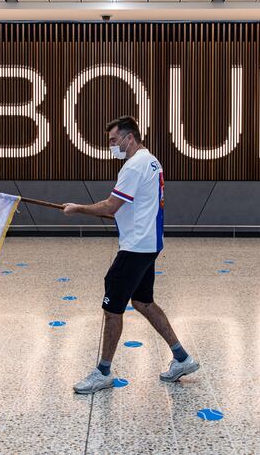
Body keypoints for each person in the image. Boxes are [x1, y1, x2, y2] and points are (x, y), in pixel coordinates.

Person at [63, 115, 199, 394]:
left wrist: (77, 208)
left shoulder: (134, 166)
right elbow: (128, 206)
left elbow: (111, 207)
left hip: (136, 247)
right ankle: (182, 358)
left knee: (112, 309)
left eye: (114, 140)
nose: (112, 145)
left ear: (129, 137)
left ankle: (103, 372)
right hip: (149, 243)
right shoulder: (152, 161)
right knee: (143, 302)